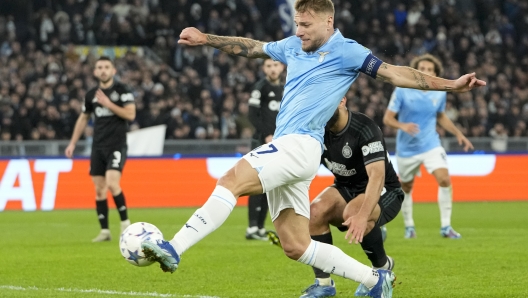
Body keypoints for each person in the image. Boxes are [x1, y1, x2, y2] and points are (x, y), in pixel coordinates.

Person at [141, 1, 485, 297]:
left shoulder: (348, 51)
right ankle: (375, 279)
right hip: (296, 151)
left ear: (327, 22)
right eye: (297, 23)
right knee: (295, 245)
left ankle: (174, 247)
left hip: (300, 143)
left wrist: (451, 85)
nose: (300, 30)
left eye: (306, 25)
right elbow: (251, 46)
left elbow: (396, 74)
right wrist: (206, 39)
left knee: (231, 180)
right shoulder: (293, 45)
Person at [300, 98, 403, 298]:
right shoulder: (316, 130)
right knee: (314, 212)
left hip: (385, 189)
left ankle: (382, 269)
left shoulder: (364, 128)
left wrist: (363, 215)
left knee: (355, 212)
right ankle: (323, 283)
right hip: (346, 187)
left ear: (341, 100)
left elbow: (377, 176)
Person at [383, 54, 474, 239]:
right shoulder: (402, 90)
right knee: (406, 187)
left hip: (431, 144)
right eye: (422, 68)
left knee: (444, 179)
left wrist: (459, 134)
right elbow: (387, 119)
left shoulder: (439, 92)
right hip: (407, 149)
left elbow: (440, 115)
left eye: (429, 70)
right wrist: (403, 126)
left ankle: (446, 227)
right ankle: (409, 227)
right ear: (415, 71)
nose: (425, 72)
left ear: (435, 73)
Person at [65, 56, 136, 242]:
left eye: (106, 67)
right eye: (99, 67)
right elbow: (83, 118)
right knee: (99, 189)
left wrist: (109, 104)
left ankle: (125, 224)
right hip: (98, 147)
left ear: (113, 71)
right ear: (95, 72)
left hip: (116, 145)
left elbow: (130, 114)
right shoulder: (91, 95)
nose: (103, 70)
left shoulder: (122, 91)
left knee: (113, 183)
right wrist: (73, 143)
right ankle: (105, 231)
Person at [246, 58, 285, 240]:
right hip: (262, 141)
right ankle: (252, 227)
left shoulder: (286, 88)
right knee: (256, 183)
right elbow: (252, 115)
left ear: (282, 67)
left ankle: (260, 227)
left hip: (280, 142)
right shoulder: (259, 87)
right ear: (264, 68)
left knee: (269, 184)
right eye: (269, 66)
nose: (272, 69)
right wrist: (267, 133)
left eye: (275, 65)